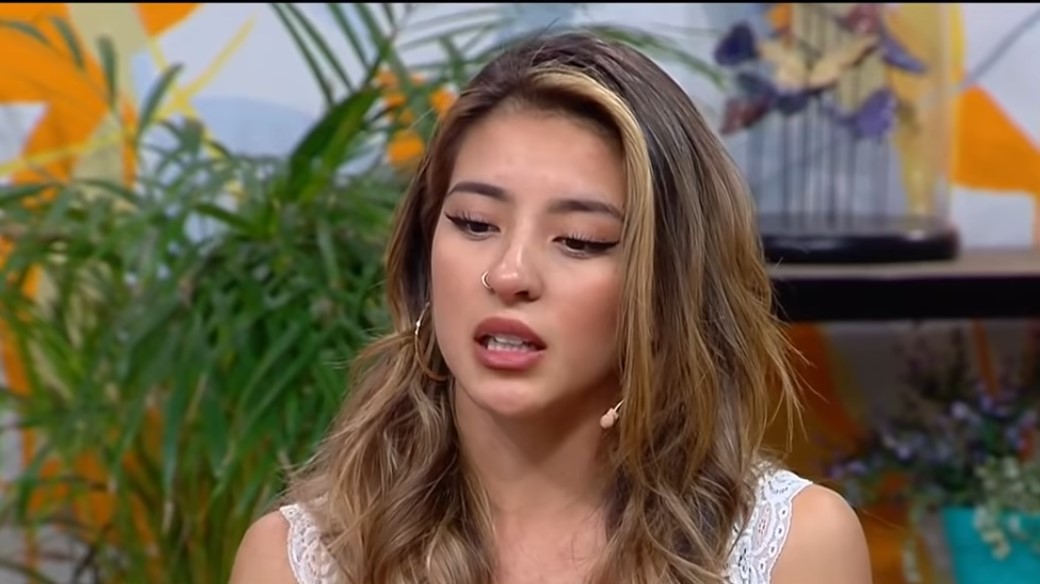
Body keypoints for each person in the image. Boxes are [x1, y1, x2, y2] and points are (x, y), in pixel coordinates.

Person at [230, 30, 872, 584]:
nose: (510, 274)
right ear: (425, 257)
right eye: (475, 223)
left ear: (665, 287)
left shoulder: (792, 550)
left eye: (579, 240)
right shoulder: (299, 561)